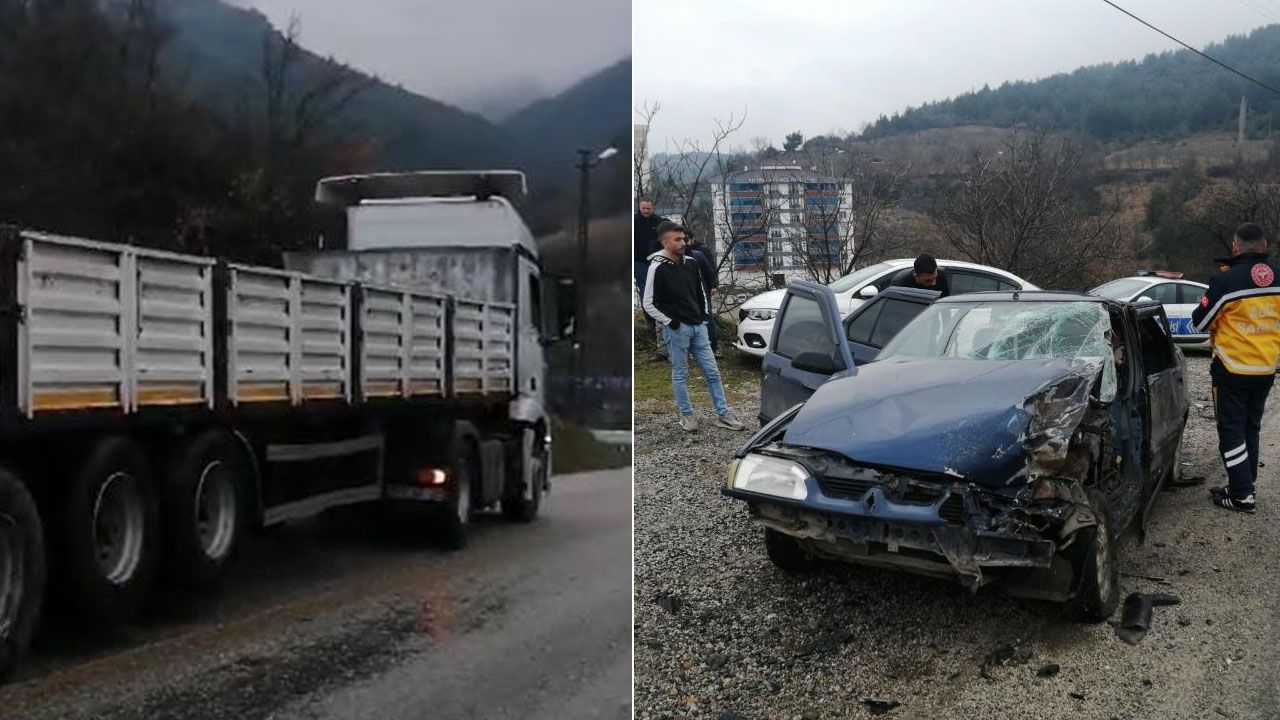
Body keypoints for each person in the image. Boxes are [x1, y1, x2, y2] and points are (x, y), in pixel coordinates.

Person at [1191, 222, 1280, 513]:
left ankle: (1242, 495)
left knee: (1231, 431)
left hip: (1231, 369)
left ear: (1234, 247)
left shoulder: (1226, 282)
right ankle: (1245, 485)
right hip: (1265, 368)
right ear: (1265, 247)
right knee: (1250, 428)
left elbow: (1200, 322)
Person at [642, 221, 745, 432]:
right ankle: (687, 415)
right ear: (665, 242)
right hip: (677, 329)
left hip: (699, 327)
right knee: (680, 373)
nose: (683, 243)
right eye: (677, 239)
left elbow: (701, 293)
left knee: (713, 373)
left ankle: (723, 414)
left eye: (684, 239)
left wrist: (705, 318)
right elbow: (648, 303)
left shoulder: (692, 263)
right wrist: (671, 322)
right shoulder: (657, 267)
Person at [634, 198, 668, 357]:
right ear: (639, 207)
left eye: (648, 208)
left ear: (652, 208)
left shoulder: (660, 222)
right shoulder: (634, 222)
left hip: (656, 261)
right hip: (639, 262)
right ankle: (650, 321)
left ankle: (661, 320)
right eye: (643, 208)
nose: (646, 211)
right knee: (644, 292)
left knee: (660, 292)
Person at [683, 228, 720, 353]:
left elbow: (710, 271)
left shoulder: (700, 253)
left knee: (708, 321)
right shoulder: (674, 256)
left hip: (702, 294)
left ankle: (713, 348)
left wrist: (713, 286)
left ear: (692, 239)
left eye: (686, 239)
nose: (684, 243)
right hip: (684, 297)